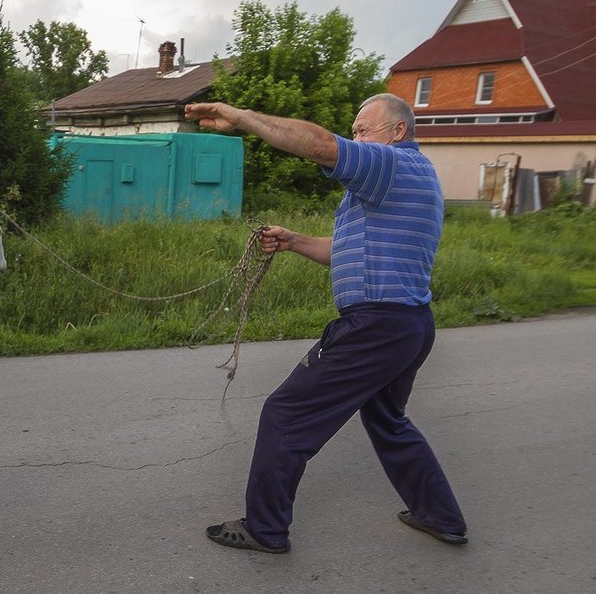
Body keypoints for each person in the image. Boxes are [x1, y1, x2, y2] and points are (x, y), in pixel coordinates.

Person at [183, 93, 467, 553]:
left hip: (376, 325)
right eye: (353, 131)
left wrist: (242, 117)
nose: (356, 138)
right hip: (407, 324)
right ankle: (441, 516)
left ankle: (265, 528)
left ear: (398, 132)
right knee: (388, 419)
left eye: (363, 129)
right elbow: (345, 251)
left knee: (285, 413)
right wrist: (295, 241)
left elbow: (317, 145)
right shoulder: (399, 184)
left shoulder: (392, 165)